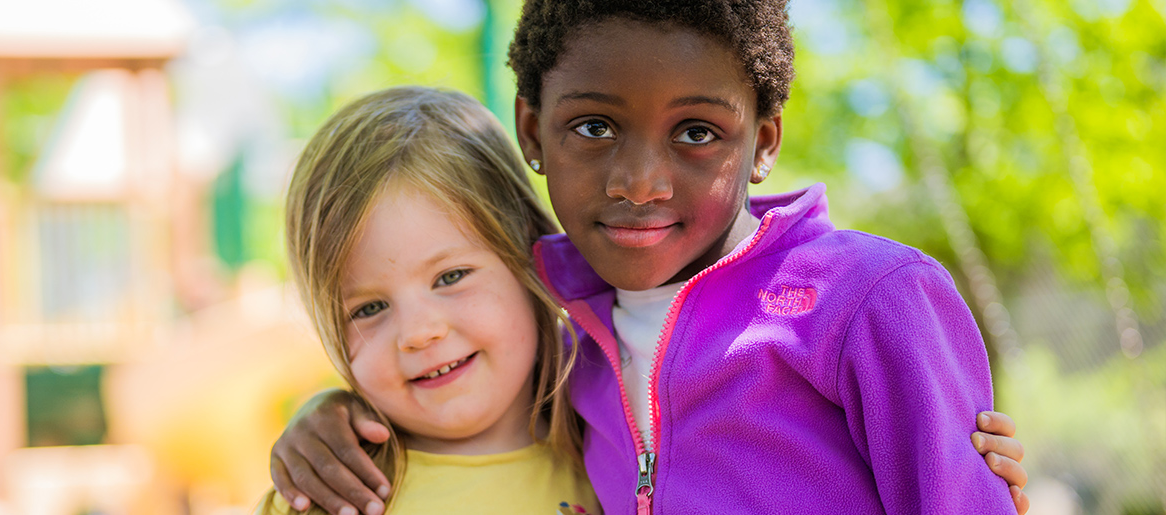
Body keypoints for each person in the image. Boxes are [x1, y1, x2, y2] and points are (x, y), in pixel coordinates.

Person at [269, 1, 1031, 514]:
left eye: (696, 131)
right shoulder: (579, 358)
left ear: (763, 140)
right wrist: (326, 411)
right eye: (595, 126)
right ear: (533, 131)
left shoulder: (864, 301)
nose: (639, 181)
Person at [259, 86, 598, 514]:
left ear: (533, 256)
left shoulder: (617, 450)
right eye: (369, 308)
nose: (419, 333)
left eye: (450, 277)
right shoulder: (324, 500)